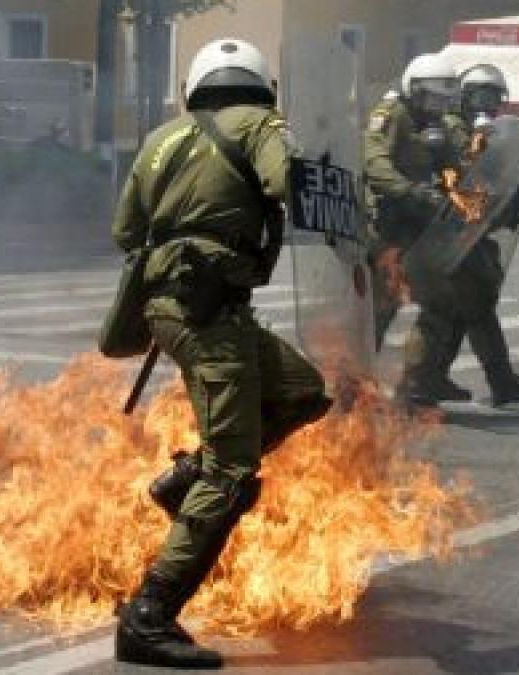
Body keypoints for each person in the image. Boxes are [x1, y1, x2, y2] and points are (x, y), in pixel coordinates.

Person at [110, 38, 332, 668]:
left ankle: (185, 480)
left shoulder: (159, 139)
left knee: (300, 389)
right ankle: (148, 617)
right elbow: (283, 179)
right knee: (232, 474)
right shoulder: (261, 123)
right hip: (210, 313)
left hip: (176, 310)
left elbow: (125, 230)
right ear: (260, 85)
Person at [416, 63, 519, 406]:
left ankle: (430, 377)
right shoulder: (456, 128)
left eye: (493, 97)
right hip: (452, 230)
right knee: (468, 306)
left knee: (461, 307)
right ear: (465, 96)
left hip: (469, 230)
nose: (487, 104)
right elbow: (467, 174)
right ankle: (491, 380)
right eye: (481, 95)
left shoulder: (475, 129)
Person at [363, 52, 462, 370]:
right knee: (384, 306)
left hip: (421, 226)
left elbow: (450, 168)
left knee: (439, 303)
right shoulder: (393, 113)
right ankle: (360, 382)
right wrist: (410, 190)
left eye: (442, 100)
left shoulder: (437, 124)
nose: (436, 106)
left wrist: (461, 192)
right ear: (414, 89)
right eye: (431, 98)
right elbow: (373, 162)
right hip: (387, 224)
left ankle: (420, 381)